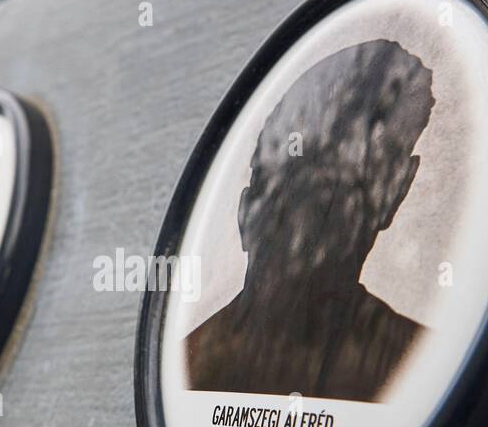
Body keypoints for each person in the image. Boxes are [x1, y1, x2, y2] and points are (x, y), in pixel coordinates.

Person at [185, 39, 435, 403]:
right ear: (245, 209)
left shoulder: (417, 365)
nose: (306, 231)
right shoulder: (417, 365)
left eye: (344, 186)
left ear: (399, 190)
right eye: (297, 178)